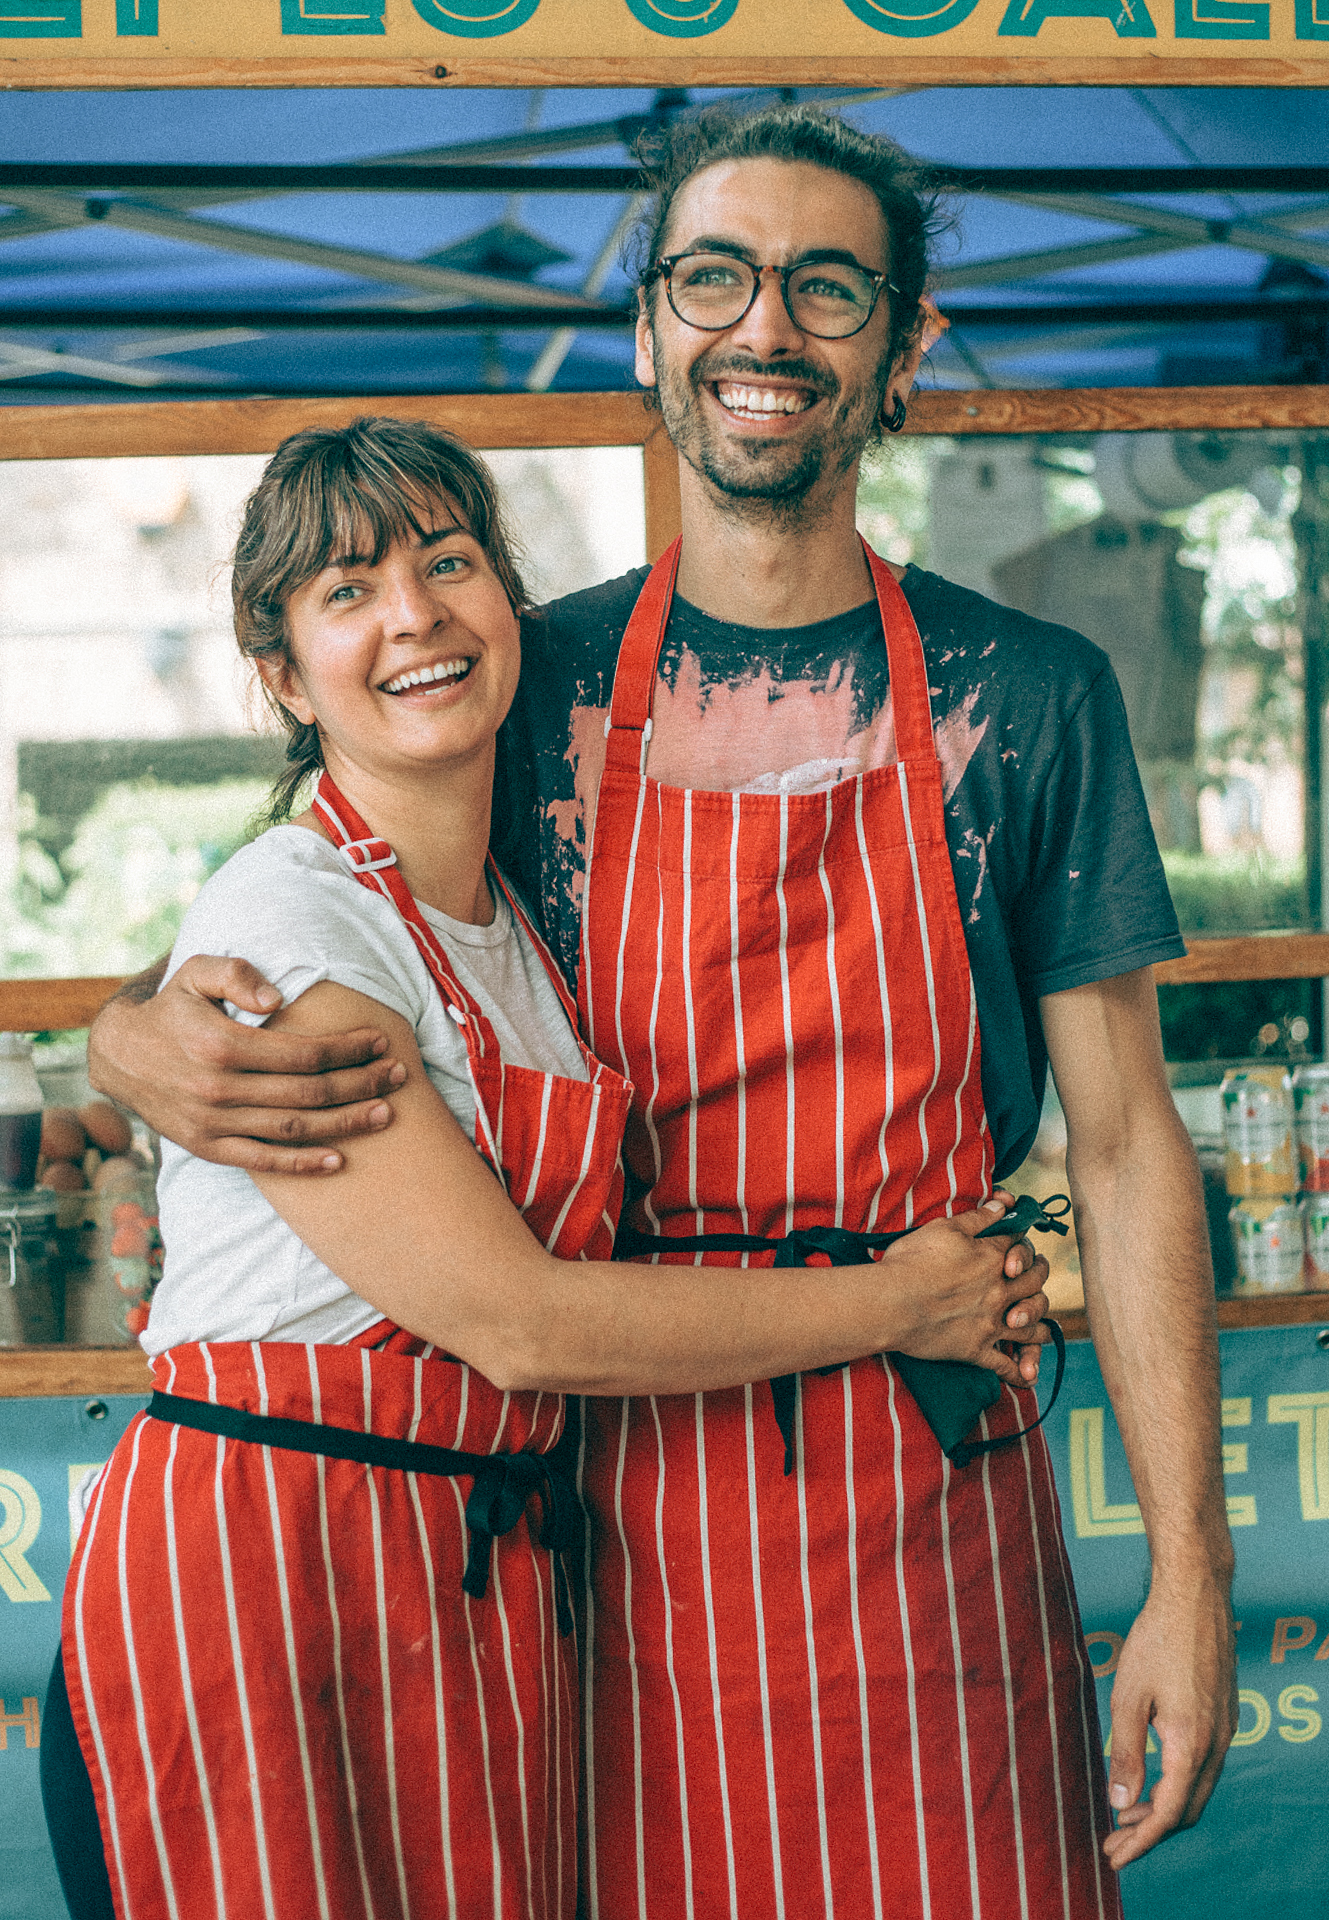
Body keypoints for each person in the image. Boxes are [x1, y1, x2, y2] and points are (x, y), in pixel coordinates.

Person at [88, 107, 1237, 1920]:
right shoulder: (529, 688)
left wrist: (1191, 1571)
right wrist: (127, 1038)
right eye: (714, 277)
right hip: (616, 1515)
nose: (763, 329)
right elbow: (307, 895)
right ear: (649, 330)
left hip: (930, 1481)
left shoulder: (1033, 694)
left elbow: (1125, 1141)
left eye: (828, 287)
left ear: (903, 344)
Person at [49, 416, 1053, 1920]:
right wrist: (902, 1303)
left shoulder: (506, 908)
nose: (412, 617)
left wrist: (107, 1032)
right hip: (267, 1578)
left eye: (448, 563)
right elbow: (523, 1322)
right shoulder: (294, 923)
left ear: (508, 604)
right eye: (346, 591)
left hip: (456, 1562)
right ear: (280, 672)